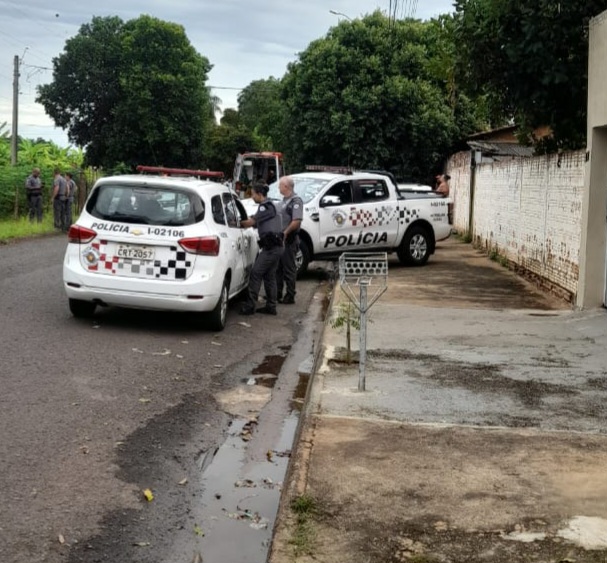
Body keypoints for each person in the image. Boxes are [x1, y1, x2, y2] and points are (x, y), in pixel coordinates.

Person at [239, 182, 284, 316]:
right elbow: (257, 223)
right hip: (276, 246)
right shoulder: (269, 206)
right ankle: (271, 306)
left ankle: (250, 306)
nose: (252, 197)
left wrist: (235, 223)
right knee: (269, 276)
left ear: (259, 194)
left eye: (253, 194)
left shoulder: (265, 207)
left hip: (271, 248)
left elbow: (250, 222)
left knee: (256, 273)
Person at [276, 175, 303, 304]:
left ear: (286, 186)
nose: (278, 187)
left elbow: (296, 221)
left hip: (289, 239)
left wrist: (285, 233)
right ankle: (277, 293)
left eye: (280, 185)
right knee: (278, 268)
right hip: (281, 240)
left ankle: (290, 295)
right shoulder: (284, 200)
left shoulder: (295, 201)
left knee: (289, 268)